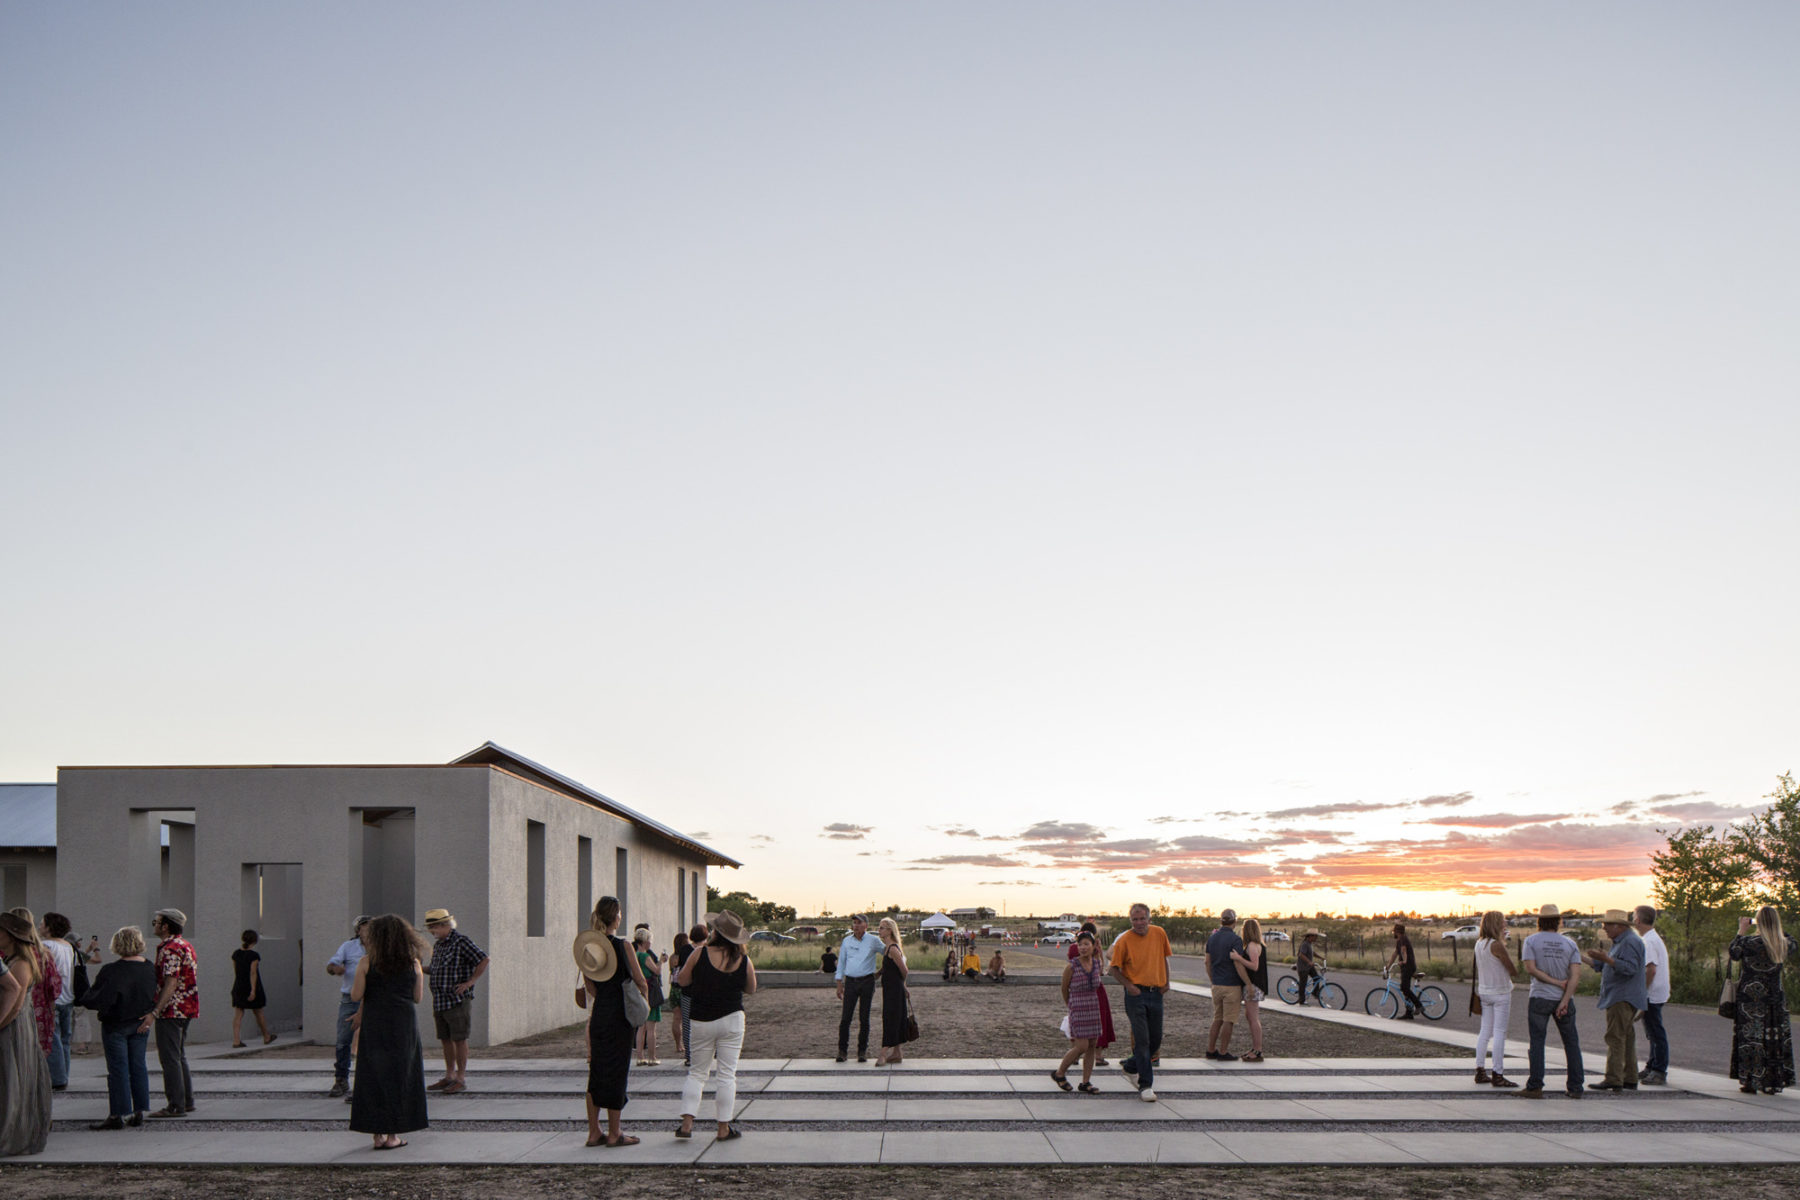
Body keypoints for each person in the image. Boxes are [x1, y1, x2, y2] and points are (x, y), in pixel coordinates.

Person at [348, 915, 430, 1150]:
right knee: (400, 1075)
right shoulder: (412, 962)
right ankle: (394, 1135)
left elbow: (355, 996)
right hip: (403, 1024)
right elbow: (417, 997)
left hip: (375, 1023)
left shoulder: (367, 962)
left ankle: (377, 1135)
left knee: (373, 1075)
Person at [574, 895, 650, 1147]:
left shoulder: (590, 950)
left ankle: (594, 1132)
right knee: (617, 1072)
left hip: (600, 1014)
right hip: (620, 1015)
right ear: (616, 917)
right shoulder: (623, 945)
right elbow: (639, 980)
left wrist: (605, 996)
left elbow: (589, 987)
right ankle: (615, 1132)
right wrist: (644, 1001)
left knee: (596, 1073)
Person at [675, 910, 756, 1142]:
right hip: (732, 1019)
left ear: (715, 932)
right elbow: (751, 988)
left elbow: (682, 980)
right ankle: (723, 1128)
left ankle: (687, 1124)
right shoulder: (743, 959)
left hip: (701, 1019)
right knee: (726, 1074)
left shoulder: (699, 953)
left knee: (697, 1073)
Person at [75, 925, 156, 1130]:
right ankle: (139, 1110)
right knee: (138, 1066)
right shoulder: (149, 967)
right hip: (141, 1022)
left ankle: (117, 1113)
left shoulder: (112, 970)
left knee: (118, 1069)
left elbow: (98, 998)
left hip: (116, 1024)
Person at [1514, 903, 1584, 1099]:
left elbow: (1530, 969)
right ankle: (1576, 1086)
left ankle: (1535, 1085)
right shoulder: (1570, 944)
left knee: (1537, 1042)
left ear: (1539, 921)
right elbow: (1575, 975)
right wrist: (1565, 999)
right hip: (1563, 999)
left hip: (1540, 997)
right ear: (1558, 921)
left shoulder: (1531, 941)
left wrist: (1553, 982)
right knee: (1571, 1043)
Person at [1728, 906, 1797, 1095]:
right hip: (1774, 998)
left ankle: (1750, 1080)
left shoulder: (1750, 942)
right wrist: (1775, 927)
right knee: (1773, 1039)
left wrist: (1742, 930)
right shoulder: (1784, 943)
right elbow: (1792, 940)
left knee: (1751, 1039)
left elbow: (1734, 952)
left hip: (1751, 999)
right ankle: (1772, 1082)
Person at [0, 911, 52, 1156]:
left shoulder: (21, 963)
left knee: (13, 1076)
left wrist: (2, 1024)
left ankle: (13, 1134)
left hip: (15, 1026)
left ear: (11, 937)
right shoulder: (13, 960)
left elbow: (17, 1003)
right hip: (14, 1024)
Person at [1108, 902, 1171, 1102]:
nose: (1139, 923)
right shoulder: (1125, 940)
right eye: (1135, 919)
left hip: (1156, 993)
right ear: (1130, 921)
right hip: (1136, 995)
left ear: (1149, 919)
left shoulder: (1159, 933)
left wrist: (1167, 981)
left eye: (1142, 918)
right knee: (1142, 1040)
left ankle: (1131, 1066)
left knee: (1156, 1040)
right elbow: (1113, 969)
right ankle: (1146, 1085)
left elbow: (1164, 958)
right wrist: (1129, 986)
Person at [422, 907, 488, 1095]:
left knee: (459, 1039)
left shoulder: (461, 941)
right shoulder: (440, 945)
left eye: (434, 927)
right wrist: (419, 968)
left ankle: (460, 1077)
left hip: (457, 1000)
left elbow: (483, 959)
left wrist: (470, 982)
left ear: (445, 925)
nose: (432, 932)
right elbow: (436, 970)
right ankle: (449, 1075)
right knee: (445, 1039)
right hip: (440, 1000)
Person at [1583, 907, 1645, 1091]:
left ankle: (1614, 1077)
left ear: (1619, 926)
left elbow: (1630, 968)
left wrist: (1607, 959)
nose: (1604, 928)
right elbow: (1606, 966)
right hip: (1621, 996)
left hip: (1622, 996)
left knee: (1615, 1037)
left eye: (1607, 925)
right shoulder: (1622, 941)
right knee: (1626, 1037)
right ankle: (1629, 1076)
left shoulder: (1630, 942)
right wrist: (1588, 959)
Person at [145, 908, 198, 1118]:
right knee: (179, 1055)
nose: (154, 925)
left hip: (172, 1009)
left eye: (156, 922)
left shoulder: (170, 948)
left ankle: (175, 1104)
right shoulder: (185, 945)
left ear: (165, 925)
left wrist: (156, 1010)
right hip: (187, 1007)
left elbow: (171, 980)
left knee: (169, 1058)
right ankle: (186, 1101)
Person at [6, 909, 61, 1065]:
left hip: (15, 1007)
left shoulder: (10, 954)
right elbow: (53, 985)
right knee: (35, 1053)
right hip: (41, 1008)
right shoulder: (44, 953)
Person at [1053, 931, 1106, 1093]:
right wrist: (1070, 1005)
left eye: (1086, 944)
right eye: (1080, 944)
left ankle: (1086, 1082)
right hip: (1077, 1007)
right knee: (1081, 1045)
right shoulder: (1072, 966)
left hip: (1093, 1007)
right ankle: (1059, 1073)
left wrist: (1100, 951)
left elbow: (1099, 977)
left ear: (1092, 946)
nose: (1082, 947)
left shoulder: (1097, 964)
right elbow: (1064, 988)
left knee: (1092, 1045)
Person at [326, 916, 371, 1099]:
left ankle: (367, 1084)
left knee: (372, 1042)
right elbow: (331, 965)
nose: (368, 931)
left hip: (374, 997)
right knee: (343, 1039)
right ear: (358, 930)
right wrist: (335, 969)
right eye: (365, 928)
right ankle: (341, 1079)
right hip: (350, 998)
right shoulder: (348, 947)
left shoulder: (381, 948)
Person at [1472, 910, 1518, 1088]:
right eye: (1503, 922)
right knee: (1499, 1033)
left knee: (1485, 1032)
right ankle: (1498, 1072)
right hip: (1500, 992)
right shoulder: (1496, 945)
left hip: (1484, 991)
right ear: (1496, 924)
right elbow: (1512, 969)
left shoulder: (1479, 944)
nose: (1505, 924)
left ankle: (1480, 1069)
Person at [833, 915, 881, 1063]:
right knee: (845, 1018)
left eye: (859, 923)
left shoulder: (873, 941)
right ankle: (842, 1051)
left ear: (866, 925)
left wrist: (880, 972)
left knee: (864, 1018)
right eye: (854, 923)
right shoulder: (847, 941)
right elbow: (841, 962)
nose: (856, 926)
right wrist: (839, 983)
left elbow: (890, 951)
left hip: (867, 981)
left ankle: (862, 1051)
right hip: (851, 982)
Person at [37, 913, 75, 1091]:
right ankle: (64, 1073)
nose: (40, 925)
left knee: (53, 1038)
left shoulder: (46, 946)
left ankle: (58, 1078)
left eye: (43, 923)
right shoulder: (68, 946)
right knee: (65, 1039)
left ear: (49, 926)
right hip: (68, 996)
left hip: (53, 998)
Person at [1067, 922, 1114, 1065]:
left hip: (1077, 991)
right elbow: (1100, 969)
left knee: (1077, 1025)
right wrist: (1097, 949)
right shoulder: (1093, 948)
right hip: (1095, 990)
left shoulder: (1073, 948)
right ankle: (1097, 1056)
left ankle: (1075, 1055)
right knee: (1099, 1024)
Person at [1635, 905, 1670, 1085]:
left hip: (1653, 993)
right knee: (1651, 1031)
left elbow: (1651, 969)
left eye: (1634, 916)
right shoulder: (1653, 938)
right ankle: (1652, 1065)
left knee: (1656, 1032)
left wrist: (1644, 991)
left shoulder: (1648, 942)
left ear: (1638, 920)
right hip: (1659, 991)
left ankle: (1659, 1069)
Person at [1205, 909, 1246, 1061]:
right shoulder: (1235, 940)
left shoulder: (1212, 938)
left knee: (1217, 1018)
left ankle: (1210, 1050)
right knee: (1229, 1019)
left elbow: (1207, 962)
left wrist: (1212, 979)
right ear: (1234, 922)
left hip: (1216, 984)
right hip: (1232, 985)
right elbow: (1238, 964)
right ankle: (1223, 1051)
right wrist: (1247, 983)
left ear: (1221, 921)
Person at [1230, 917, 1268, 1063]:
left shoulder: (1252, 945)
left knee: (1253, 1018)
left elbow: (1254, 966)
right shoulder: (1258, 945)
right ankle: (1255, 1048)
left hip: (1254, 984)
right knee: (1250, 1016)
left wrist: (1238, 958)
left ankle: (1257, 1050)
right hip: (1254, 985)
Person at [231, 929, 275, 1047]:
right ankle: (266, 1036)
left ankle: (236, 1040)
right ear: (254, 941)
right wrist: (253, 990)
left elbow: (236, 970)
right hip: (251, 986)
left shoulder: (236, 954)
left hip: (239, 985)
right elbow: (253, 973)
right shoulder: (254, 955)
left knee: (238, 1014)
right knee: (259, 1012)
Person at [875, 917, 909, 1065]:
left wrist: (902, 985)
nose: (879, 930)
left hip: (894, 990)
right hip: (890, 989)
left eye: (882, 927)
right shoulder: (888, 948)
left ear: (889, 931)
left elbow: (904, 970)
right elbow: (890, 967)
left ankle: (883, 1053)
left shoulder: (893, 949)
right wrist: (879, 973)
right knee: (895, 1018)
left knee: (891, 1018)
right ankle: (897, 1053)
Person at [633, 928, 665, 1066]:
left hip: (639, 992)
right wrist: (662, 961)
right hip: (650, 992)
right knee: (651, 1028)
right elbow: (656, 971)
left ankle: (640, 1057)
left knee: (641, 1027)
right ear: (645, 941)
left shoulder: (635, 955)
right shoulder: (645, 956)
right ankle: (652, 1057)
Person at [1385, 922, 1421, 1019]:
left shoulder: (1403, 939)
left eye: (1394, 932)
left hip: (1409, 966)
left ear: (1397, 932)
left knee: (1404, 987)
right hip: (1405, 967)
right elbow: (1395, 954)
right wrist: (1388, 966)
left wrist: (1404, 961)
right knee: (1406, 989)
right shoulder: (1399, 941)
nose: (1394, 934)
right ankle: (1409, 1013)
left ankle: (1418, 1005)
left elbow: (1404, 951)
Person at [682, 923, 706, 1064]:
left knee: (687, 1025)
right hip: (702, 992)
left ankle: (689, 1055)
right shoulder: (705, 950)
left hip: (686, 992)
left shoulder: (685, 949)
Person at [668, 931, 691, 1062]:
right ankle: (684, 1045)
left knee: (676, 1018)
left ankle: (678, 1045)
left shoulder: (672, 957)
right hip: (682, 988)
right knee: (686, 1020)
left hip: (673, 989)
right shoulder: (686, 955)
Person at [1295, 931, 1324, 1004]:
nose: (1316, 938)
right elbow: (1301, 955)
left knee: (1317, 978)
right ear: (1310, 936)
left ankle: (1315, 993)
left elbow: (1312, 953)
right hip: (1303, 967)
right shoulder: (1305, 944)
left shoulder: (1309, 944)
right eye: (1315, 936)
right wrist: (1309, 962)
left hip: (1309, 967)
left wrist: (1321, 957)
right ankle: (1301, 1000)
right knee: (1303, 983)